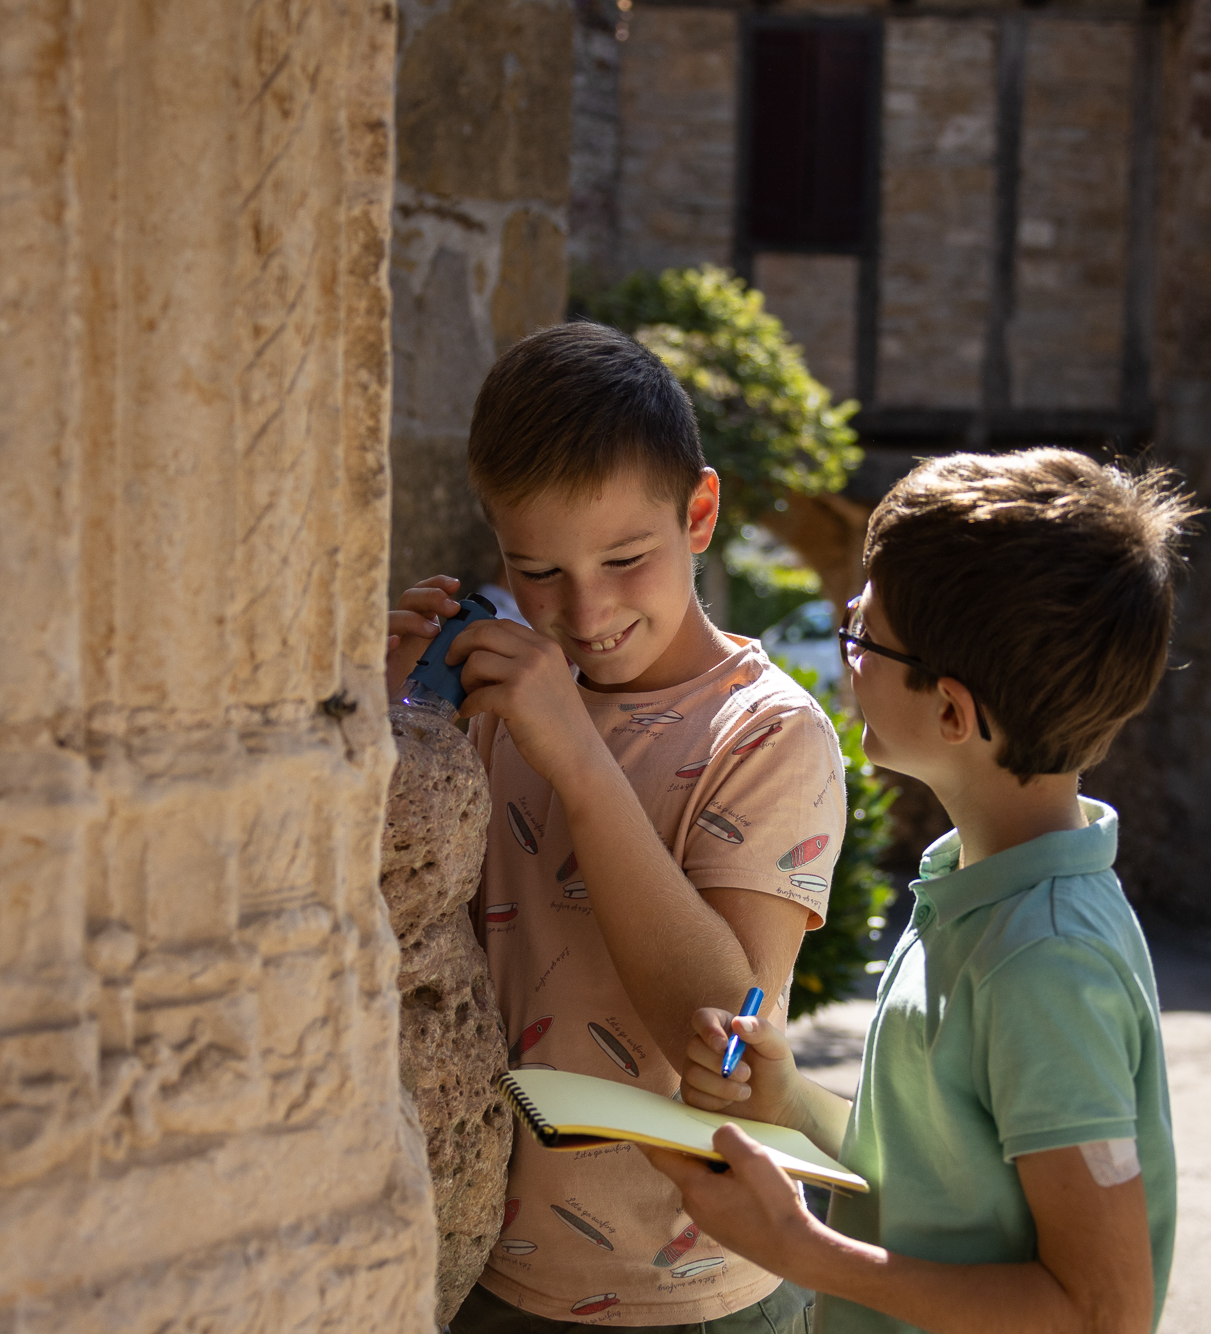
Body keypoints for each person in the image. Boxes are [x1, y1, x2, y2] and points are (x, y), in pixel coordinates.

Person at [639, 450, 1196, 1334]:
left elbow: (1103, 1311)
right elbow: (943, 1173)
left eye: (864, 629)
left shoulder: (1046, 960)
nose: (843, 632)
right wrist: (785, 1103)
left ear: (952, 713)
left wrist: (804, 1253)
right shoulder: (977, 888)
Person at [387, 322, 847, 1331]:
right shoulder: (500, 698)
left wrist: (581, 763)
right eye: (537, 569)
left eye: (624, 556)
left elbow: (729, 1030)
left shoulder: (769, 734)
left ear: (699, 512)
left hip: (695, 1292)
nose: (583, 609)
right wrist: (392, 724)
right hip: (479, 1264)